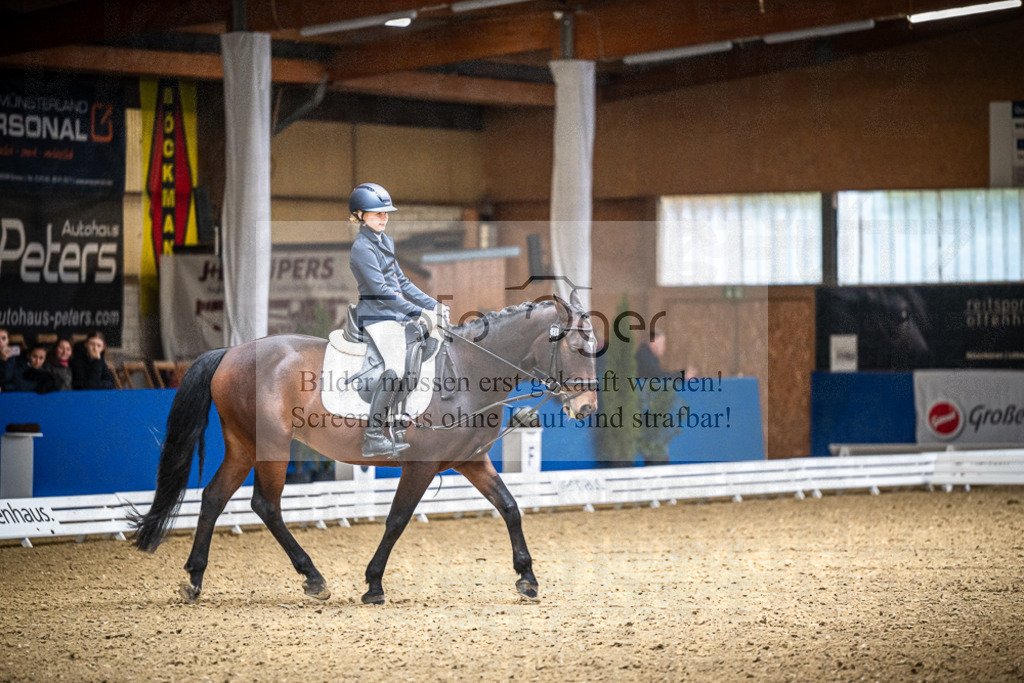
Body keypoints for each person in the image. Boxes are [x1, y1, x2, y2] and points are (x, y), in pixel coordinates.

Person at [348, 182, 447, 457]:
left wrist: (433, 305)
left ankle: (403, 420)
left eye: (386, 213)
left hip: (395, 315)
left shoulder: (385, 241)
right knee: (395, 368)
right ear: (359, 215)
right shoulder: (362, 248)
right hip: (376, 316)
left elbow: (401, 282)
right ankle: (373, 435)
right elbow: (380, 291)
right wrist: (416, 312)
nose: (384, 217)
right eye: (377, 213)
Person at [0, 327, 20, 392]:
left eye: (3, 338)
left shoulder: (13, 357)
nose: (0, 341)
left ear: (8, 341)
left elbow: (15, 382)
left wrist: (3, 388)